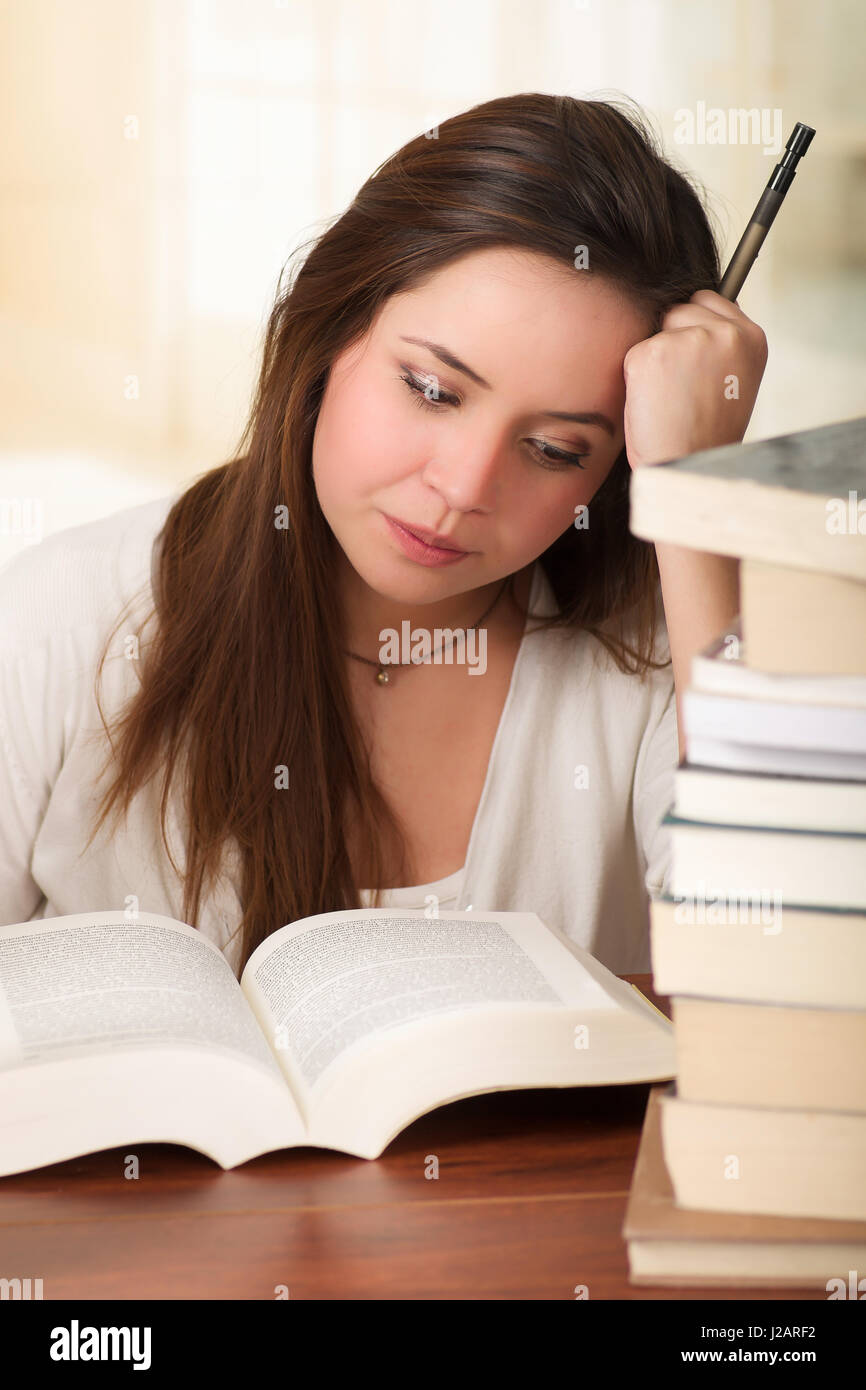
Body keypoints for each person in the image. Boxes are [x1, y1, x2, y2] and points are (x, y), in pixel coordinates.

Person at [0, 93, 767, 978]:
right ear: (332, 329)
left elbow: (776, 1019)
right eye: (433, 390)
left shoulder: (677, 659)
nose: (463, 488)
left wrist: (697, 502)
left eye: (556, 449)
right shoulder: (65, 620)